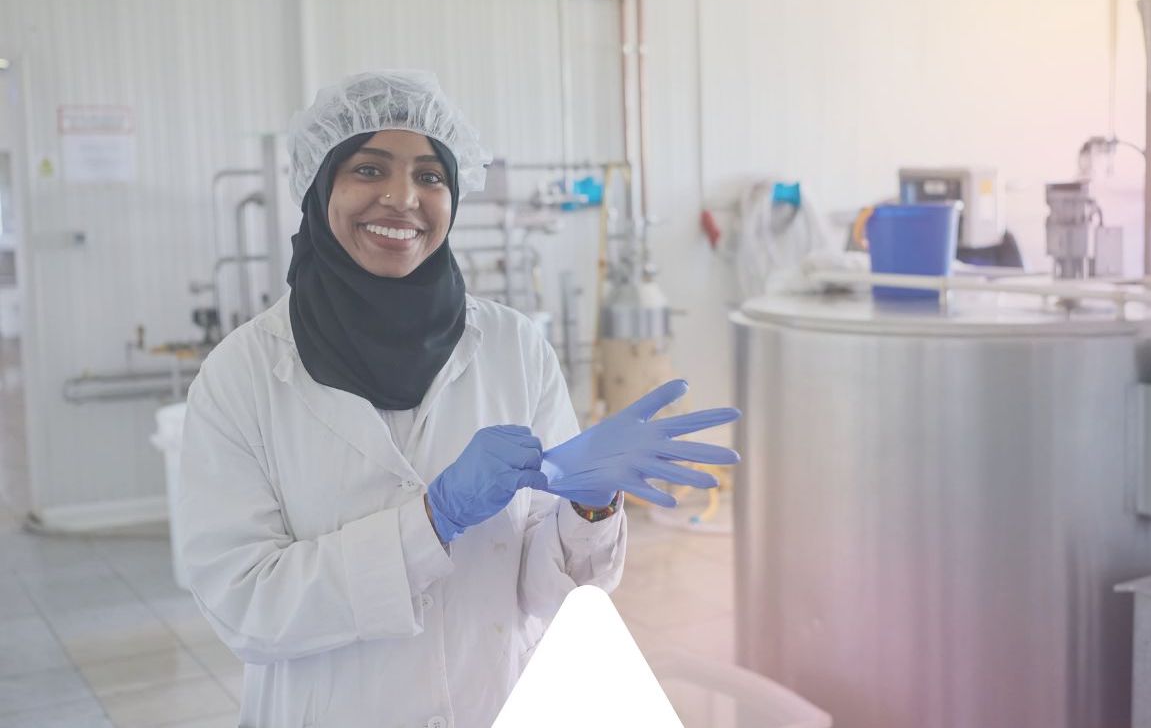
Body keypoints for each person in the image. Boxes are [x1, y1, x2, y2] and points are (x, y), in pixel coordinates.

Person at [176, 70, 739, 728]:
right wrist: (431, 520)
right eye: (367, 169)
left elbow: (543, 592)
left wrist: (589, 506)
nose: (401, 198)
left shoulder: (513, 346)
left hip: (492, 700)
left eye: (429, 176)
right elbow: (246, 607)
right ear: (319, 185)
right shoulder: (242, 375)